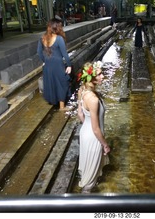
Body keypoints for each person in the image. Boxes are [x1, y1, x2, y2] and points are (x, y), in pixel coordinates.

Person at [77, 61, 110, 193]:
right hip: (93, 137)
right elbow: (96, 129)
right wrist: (105, 144)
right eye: (100, 74)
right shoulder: (93, 99)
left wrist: (87, 125)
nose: (103, 77)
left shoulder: (82, 90)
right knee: (90, 181)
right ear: (91, 77)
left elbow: (80, 114)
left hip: (85, 133)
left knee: (88, 169)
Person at [37, 18, 72, 110]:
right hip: (58, 65)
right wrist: (69, 65)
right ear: (57, 27)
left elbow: (39, 52)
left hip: (48, 65)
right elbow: (65, 54)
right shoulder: (59, 39)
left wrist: (45, 61)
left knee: (51, 83)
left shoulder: (42, 38)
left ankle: (53, 101)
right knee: (62, 83)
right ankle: (62, 107)